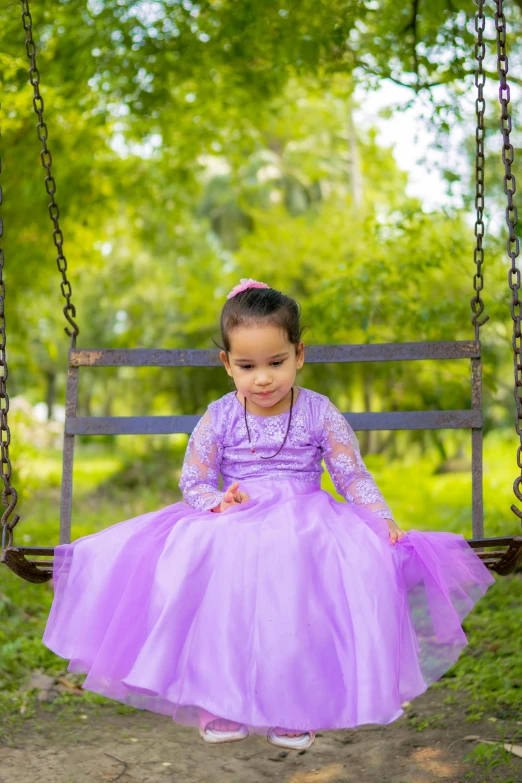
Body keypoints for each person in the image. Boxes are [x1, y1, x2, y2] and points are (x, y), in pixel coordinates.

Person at [42, 278, 496, 751]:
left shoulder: (320, 411)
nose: (263, 378)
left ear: (299, 354)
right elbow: (194, 480)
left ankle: (293, 705)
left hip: (306, 511)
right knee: (202, 557)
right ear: (227, 365)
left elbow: (352, 475)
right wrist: (217, 502)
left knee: (315, 569)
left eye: (276, 363)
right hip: (238, 514)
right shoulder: (217, 416)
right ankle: (219, 698)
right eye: (247, 366)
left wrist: (380, 519)